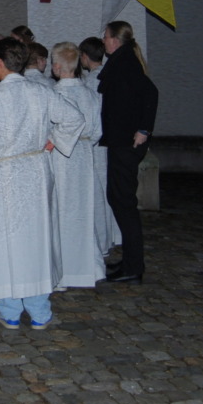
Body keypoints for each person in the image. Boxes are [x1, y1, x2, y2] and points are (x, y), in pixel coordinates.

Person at [0, 37, 84, 330]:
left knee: (4, 243)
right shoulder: (41, 93)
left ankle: (11, 309)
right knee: (34, 241)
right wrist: (53, 142)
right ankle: (40, 310)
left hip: (0, 179)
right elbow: (74, 118)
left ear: (0, 63)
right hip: (35, 175)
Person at [98, 21, 158, 285]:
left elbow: (151, 93)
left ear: (115, 40)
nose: (103, 40)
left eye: (105, 36)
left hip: (127, 143)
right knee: (118, 199)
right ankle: (130, 262)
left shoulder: (126, 64)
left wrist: (144, 129)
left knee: (124, 202)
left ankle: (134, 267)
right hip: (120, 141)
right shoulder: (122, 61)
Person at [50, 42, 105, 288]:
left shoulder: (54, 95)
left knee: (60, 208)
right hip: (82, 155)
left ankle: (63, 270)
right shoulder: (90, 95)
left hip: (61, 157)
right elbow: (96, 131)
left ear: (58, 66)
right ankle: (87, 268)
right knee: (82, 209)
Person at [80, 35, 120, 261]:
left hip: (97, 142)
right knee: (106, 189)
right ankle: (110, 235)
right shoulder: (107, 76)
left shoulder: (92, 82)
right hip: (107, 139)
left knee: (99, 191)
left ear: (85, 57)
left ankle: (103, 238)